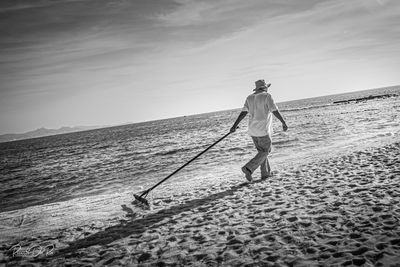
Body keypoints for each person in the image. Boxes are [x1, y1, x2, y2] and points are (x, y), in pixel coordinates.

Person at [230, 79, 288, 182]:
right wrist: (283, 122)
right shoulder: (267, 96)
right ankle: (248, 168)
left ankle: (265, 174)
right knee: (266, 151)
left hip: (252, 130)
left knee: (262, 153)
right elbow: (274, 110)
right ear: (265, 88)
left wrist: (234, 126)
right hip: (263, 130)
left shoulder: (249, 98)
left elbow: (243, 113)